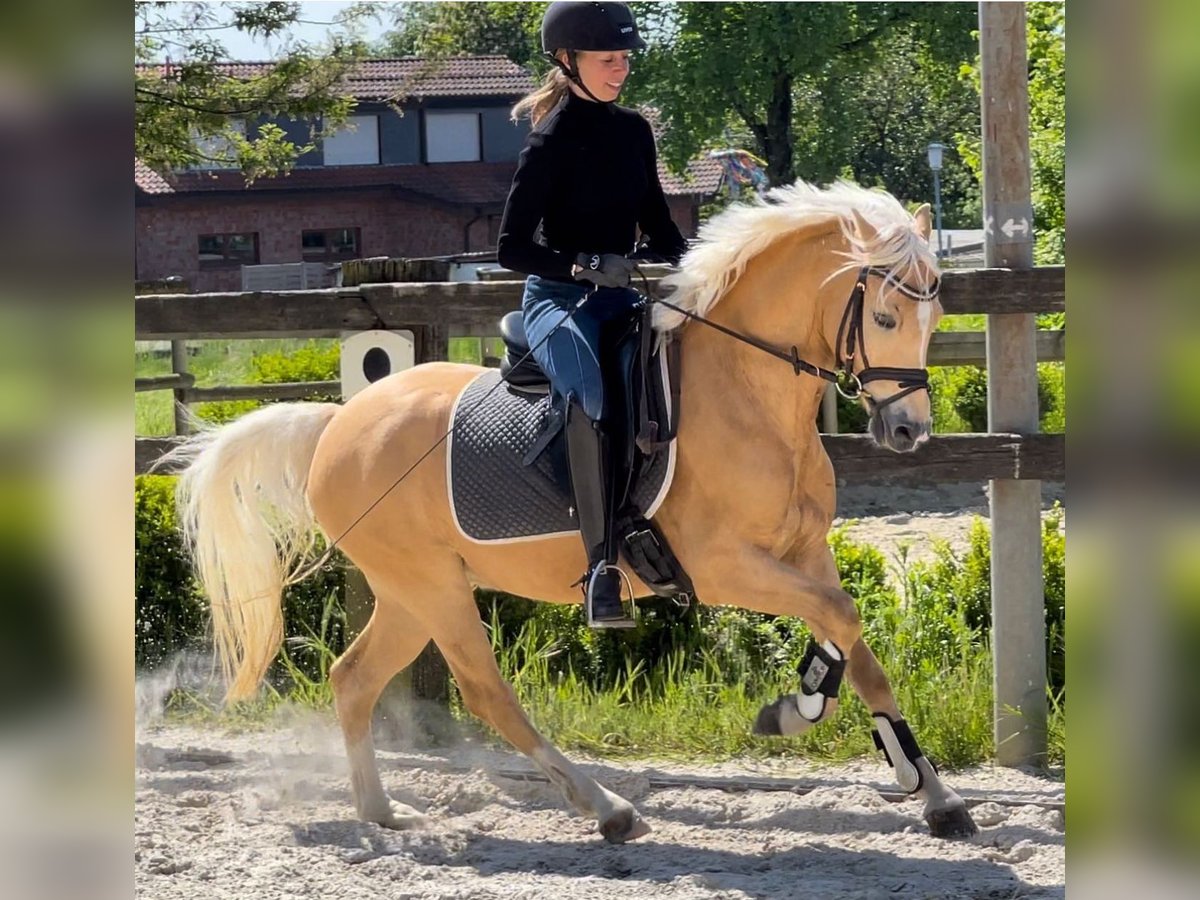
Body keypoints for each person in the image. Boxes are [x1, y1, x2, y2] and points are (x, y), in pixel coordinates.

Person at [497, 1, 687, 629]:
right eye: (608, 60)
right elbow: (512, 249)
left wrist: (697, 263)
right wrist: (579, 265)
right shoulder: (548, 143)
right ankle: (602, 568)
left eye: (625, 58)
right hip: (557, 302)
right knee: (593, 396)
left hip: (621, 297)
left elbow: (661, 227)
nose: (620, 69)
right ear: (567, 59)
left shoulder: (634, 131)